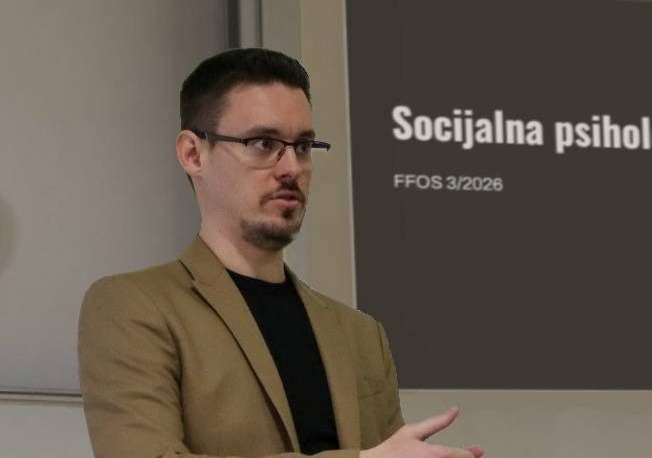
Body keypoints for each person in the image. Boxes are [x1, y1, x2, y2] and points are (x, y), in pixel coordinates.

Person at [78, 48, 484, 458]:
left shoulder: (361, 336)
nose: (291, 167)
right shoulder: (134, 307)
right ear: (193, 154)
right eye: (263, 143)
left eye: (303, 146)